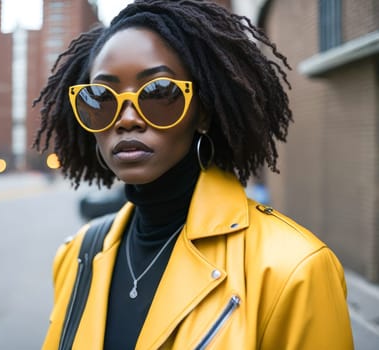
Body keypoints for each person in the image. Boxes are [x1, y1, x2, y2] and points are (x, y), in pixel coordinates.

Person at [33, 1, 353, 349]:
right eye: (102, 98)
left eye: (158, 93)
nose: (126, 119)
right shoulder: (76, 255)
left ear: (202, 114)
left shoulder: (294, 269)